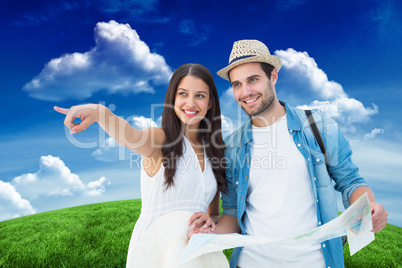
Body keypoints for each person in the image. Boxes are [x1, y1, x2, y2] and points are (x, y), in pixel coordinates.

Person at [207, 40, 388, 268]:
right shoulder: (232, 146)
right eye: (237, 84)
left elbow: (350, 181)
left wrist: (369, 205)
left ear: (273, 76)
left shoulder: (319, 126)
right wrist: (207, 234)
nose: (245, 92)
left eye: (253, 79)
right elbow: (232, 212)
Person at [54, 63, 229, 267]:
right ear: (172, 98)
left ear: (210, 103)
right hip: (154, 247)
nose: (190, 103)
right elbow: (130, 136)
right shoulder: (161, 139)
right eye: (183, 94)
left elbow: (213, 214)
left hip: (195, 249)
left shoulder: (215, 152)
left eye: (199, 95)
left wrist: (209, 222)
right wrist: (101, 113)